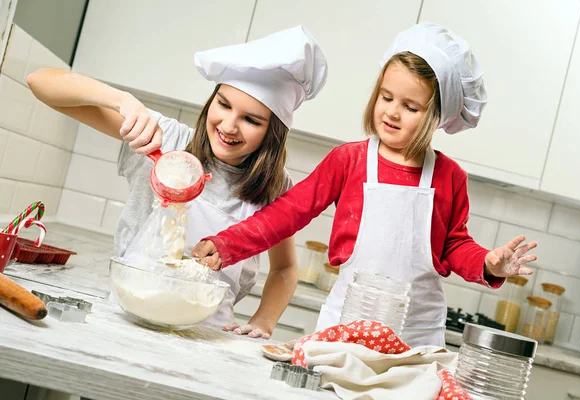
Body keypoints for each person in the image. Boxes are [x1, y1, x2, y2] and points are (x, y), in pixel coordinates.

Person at [192, 22, 537, 347]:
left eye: (410, 106)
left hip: (414, 337)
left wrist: (487, 263)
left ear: (437, 114)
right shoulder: (349, 160)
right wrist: (227, 244)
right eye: (386, 97)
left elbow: (454, 245)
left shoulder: (450, 177)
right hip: (344, 325)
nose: (392, 112)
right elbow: (286, 213)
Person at [26, 25, 328, 339]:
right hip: (126, 318)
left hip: (205, 334)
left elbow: (284, 268)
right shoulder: (166, 139)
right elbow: (40, 83)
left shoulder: (273, 188)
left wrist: (265, 319)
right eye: (223, 105)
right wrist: (122, 101)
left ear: (272, 133)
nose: (229, 125)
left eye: (251, 120)